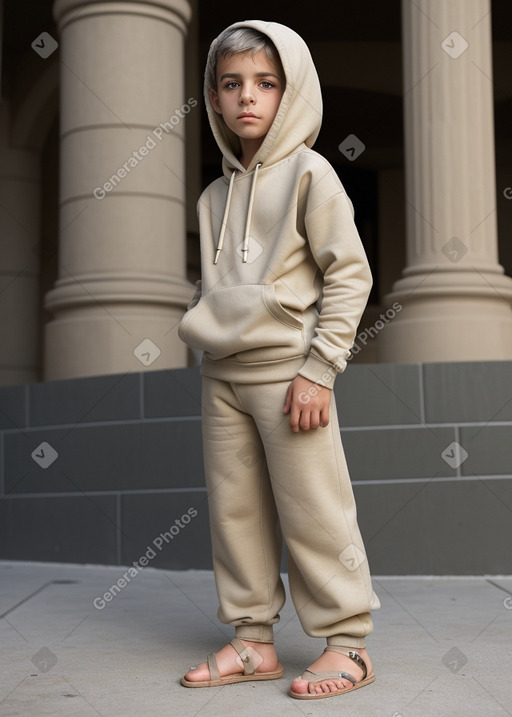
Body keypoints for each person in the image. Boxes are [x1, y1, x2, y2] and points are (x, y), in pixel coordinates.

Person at [178, 19, 380, 701]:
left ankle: (348, 646)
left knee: (315, 507)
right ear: (212, 97)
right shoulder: (213, 197)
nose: (247, 97)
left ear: (291, 92)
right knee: (236, 510)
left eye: (266, 83)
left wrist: (321, 367)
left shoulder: (311, 173)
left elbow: (350, 274)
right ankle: (253, 640)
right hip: (222, 374)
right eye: (231, 84)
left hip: (291, 373)